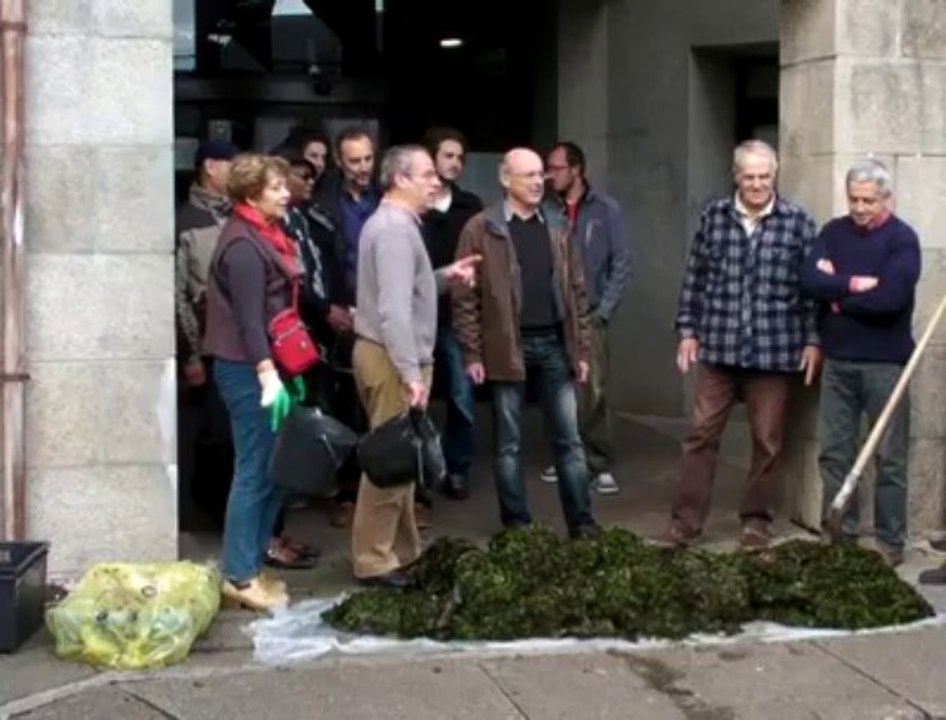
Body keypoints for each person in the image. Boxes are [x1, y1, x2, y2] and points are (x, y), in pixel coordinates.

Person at [665, 139, 820, 551]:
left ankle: (756, 521)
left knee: (767, 440)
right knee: (700, 434)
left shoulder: (798, 222)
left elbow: (812, 291)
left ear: (775, 174)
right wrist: (687, 330)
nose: (756, 184)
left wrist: (812, 341)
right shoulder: (714, 216)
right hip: (718, 346)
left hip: (773, 350)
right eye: (748, 176)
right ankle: (686, 522)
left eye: (764, 176)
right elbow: (694, 278)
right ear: (736, 176)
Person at [453, 148, 600, 539]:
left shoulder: (556, 224)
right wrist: (472, 352)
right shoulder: (481, 228)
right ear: (506, 180)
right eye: (529, 175)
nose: (538, 182)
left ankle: (582, 524)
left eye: (541, 175)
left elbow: (578, 291)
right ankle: (517, 526)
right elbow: (466, 298)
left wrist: (581, 349)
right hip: (507, 346)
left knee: (570, 440)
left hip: (554, 343)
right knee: (510, 444)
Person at [351, 145, 479, 588]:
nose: (435, 182)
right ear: (401, 180)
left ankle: (401, 553)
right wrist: (409, 373)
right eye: (426, 174)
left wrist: (447, 276)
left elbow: (410, 290)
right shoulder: (392, 230)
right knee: (389, 464)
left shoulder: (399, 226)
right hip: (391, 358)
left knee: (404, 463)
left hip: (395, 355)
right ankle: (374, 560)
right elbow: (393, 311)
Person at [203, 153, 312, 610]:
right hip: (247, 368)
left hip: (266, 365)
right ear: (251, 195)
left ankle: (251, 564)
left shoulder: (265, 233)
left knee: (273, 470)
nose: (286, 193)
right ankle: (239, 575)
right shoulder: (244, 246)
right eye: (275, 188)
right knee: (254, 471)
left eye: (284, 185)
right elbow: (249, 321)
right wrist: (268, 372)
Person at [801, 159, 920, 567]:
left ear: (886, 198)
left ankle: (890, 543)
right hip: (838, 363)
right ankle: (841, 537)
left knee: (889, 457)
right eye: (854, 199)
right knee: (835, 452)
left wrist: (836, 298)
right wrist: (853, 285)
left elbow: (890, 301)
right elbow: (809, 280)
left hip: (886, 366)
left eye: (868, 200)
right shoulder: (833, 232)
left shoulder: (902, 241)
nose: (860, 208)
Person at [542, 141, 632, 495]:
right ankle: (566, 455)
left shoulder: (605, 210)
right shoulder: (547, 210)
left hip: (591, 312)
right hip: (554, 314)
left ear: (576, 170)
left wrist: (604, 312)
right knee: (557, 389)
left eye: (557, 168)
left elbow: (622, 262)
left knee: (593, 389)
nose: (551, 176)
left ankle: (598, 460)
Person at [175, 139, 237, 529]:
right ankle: (202, 511)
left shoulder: (240, 216)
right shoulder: (185, 222)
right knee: (207, 435)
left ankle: (225, 511)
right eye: (231, 164)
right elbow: (177, 293)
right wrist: (191, 354)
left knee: (232, 435)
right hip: (206, 348)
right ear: (211, 167)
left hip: (238, 346)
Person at [421, 127, 484, 500]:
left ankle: (457, 469)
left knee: (462, 398)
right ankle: (420, 474)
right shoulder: (415, 205)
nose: (455, 163)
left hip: (457, 314)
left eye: (460, 158)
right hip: (419, 315)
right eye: (448, 156)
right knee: (417, 400)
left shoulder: (470, 206)